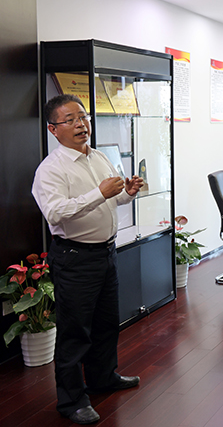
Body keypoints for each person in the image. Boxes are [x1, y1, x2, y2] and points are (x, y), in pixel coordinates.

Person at [32, 94, 143, 425]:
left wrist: (126, 193)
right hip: (74, 258)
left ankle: (102, 378)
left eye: (83, 117)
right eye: (70, 120)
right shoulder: (50, 170)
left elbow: (112, 199)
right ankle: (71, 401)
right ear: (53, 129)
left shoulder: (99, 157)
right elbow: (55, 213)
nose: (81, 124)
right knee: (75, 331)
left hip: (106, 252)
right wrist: (99, 193)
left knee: (107, 323)